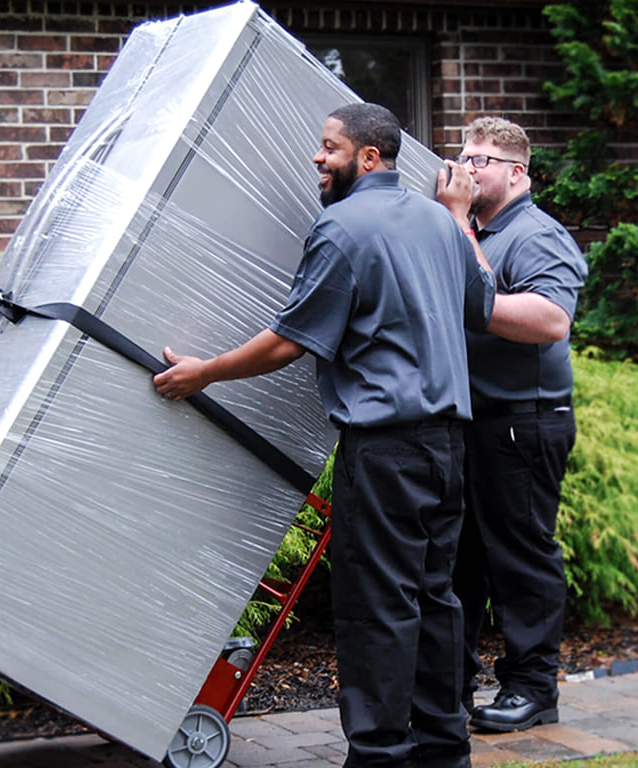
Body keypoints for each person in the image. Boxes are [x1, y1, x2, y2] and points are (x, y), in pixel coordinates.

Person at [155, 103, 494, 768]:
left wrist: (206, 372)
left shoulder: (342, 227)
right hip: (448, 447)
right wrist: (459, 217)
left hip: (386, 450)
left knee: (377, 606)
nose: (318, 157)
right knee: (435, 598)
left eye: (330, 147)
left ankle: (377, 756)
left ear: (368, 157)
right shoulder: (438, 220)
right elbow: (480, 307)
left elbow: (289, 341)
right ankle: (442, 751)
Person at [435, 116, 589, 732]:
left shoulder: (536, 235)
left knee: (521, 560)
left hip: (523, 423)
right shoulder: (480, 230)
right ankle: (451, 688)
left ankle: (533, 689)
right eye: (463, 156)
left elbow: (551, 320)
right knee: (462, 562)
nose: (466, 169)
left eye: (480, 160)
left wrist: (456, 224)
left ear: (517, 172)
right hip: (474, 421)